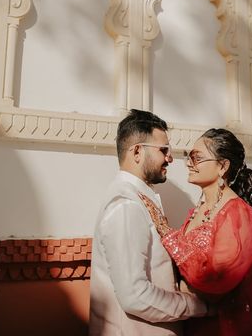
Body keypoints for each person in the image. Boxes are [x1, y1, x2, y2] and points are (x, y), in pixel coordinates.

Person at [140, 128, 252, 336]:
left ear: (222, 166)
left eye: (196, 157)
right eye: (189, 156)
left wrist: (166, 232)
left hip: (227, 327)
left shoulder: (237, 213)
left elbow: (217, 279)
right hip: (197, 322)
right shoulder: (201, 208)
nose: (188, 163)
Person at [89, 109, 208, 336]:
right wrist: (199, 306)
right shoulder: (126, 205)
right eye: (163, 150)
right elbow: (135, 296)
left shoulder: (138, 198)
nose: (170, 158)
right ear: (137, 152)